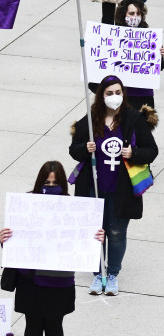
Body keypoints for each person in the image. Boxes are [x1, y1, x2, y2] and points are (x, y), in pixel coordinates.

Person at [0, 161, 105, 336]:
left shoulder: (73, 209)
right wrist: (4, 239)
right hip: (30, 281)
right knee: (33, 328)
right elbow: (15, 243)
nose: (50, 187)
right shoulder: (26, 204)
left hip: (59, 282)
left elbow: (84, 240)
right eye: (46, 183)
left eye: (55, 183)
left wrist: (97, 237)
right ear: (39, 183)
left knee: (54, 328)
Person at [69, 75, 158, 296]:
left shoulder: (133, 119)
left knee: (116, 232)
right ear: (101, 96)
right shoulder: (91, 120)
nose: (114, 97)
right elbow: (74, 149)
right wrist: (84, 148)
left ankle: (112, 274)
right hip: (94, 187)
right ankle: (98, 274)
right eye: (109, 93)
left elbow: (152, 150)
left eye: (118, 92)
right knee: (96, 233)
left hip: (121, 189)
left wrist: (134, 153)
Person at [110, 0, 162, 109]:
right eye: (131, 13)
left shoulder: (149, 37)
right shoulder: (113, 36)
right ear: (123, 14)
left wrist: (162, 57)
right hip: (122, 95)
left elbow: (156, 67)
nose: (135, 17)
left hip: (144, 96)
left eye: (138, 14)